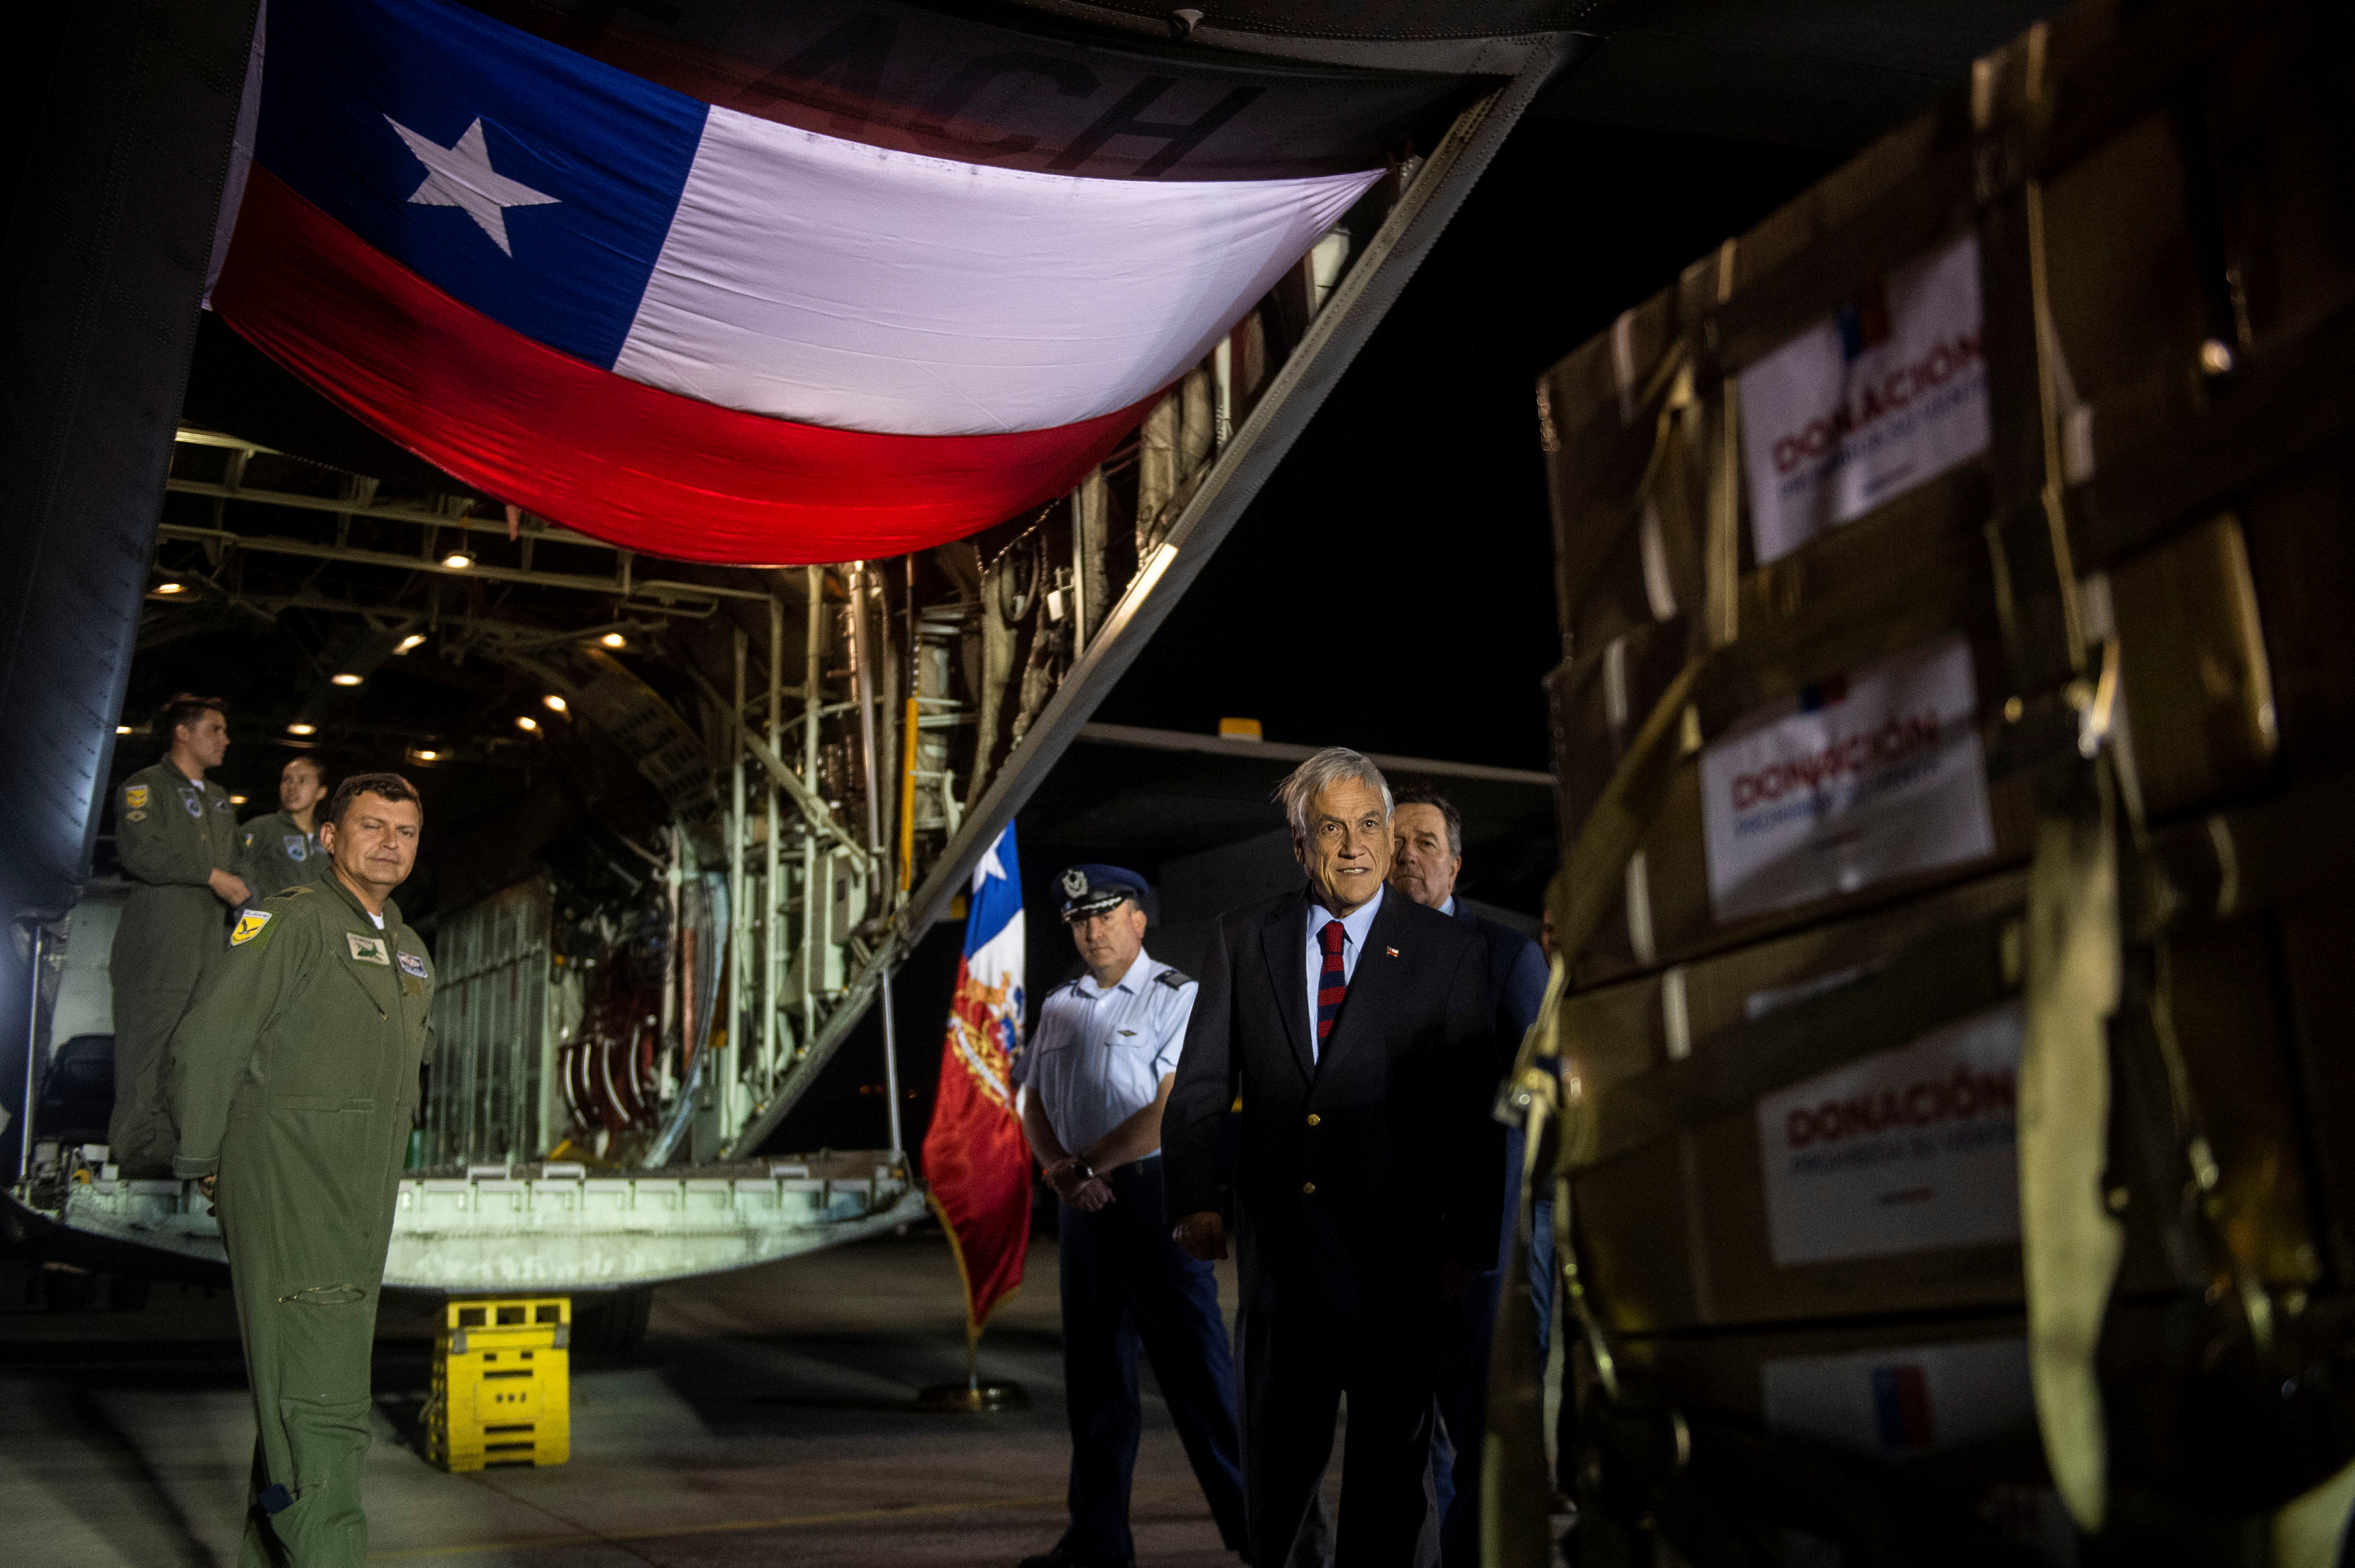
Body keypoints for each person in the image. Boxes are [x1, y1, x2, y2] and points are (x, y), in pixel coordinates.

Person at [1165, 747, 1499, 1568]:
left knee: (1391, 1492)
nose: (1353, 846)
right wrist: (1195, 1198)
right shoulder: (1243, 939)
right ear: (1297, 843)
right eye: (1331, 828)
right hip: (1281, 1271)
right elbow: (1202, 1082)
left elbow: (1474, 1113)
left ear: (1389, 840)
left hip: (1398, 1270)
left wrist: (1468, 1243)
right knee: (1276, 1492)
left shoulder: (1448, 953)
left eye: (1369, 826)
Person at [170, 773, 435, 1568]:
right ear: (328, 837)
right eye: (371, 824)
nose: (390, 841)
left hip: (360, 1191)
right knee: (323, 1405)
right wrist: (204, 1156)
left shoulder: (410, 949)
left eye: (406, 830)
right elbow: (208, 1041)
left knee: (303, 1391)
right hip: (292, 1180)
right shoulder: (289, 922)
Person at [1017, 864, 1248, 1568]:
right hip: (1084, 1213)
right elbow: (1031, 1102)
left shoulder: (1175, 997)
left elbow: (1167, 1115)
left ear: (1137, 921)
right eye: (1080, 920)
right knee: (1095, 1386)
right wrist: (1061, 1172)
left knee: (1200, 1384)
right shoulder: (1059, 1003)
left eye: (1105, 915)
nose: (1090, 930)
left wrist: (1084, 1168)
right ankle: (1097, 1543)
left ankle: (1265, 1535)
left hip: (1154, 1206)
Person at [1387, 787, 1550, 1568]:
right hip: (1384, 1241)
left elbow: (1531, 1100)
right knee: (1398, 1444)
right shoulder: (1359, 960)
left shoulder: (1509, 956)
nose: (1405, 856)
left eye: (1423, 842)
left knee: (1481, 1430)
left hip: (1476, 1245)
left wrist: (1494, 1231)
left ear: (1455, 863)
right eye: (1394, 843)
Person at [108, 694, 248, 1176]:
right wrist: (210, 875)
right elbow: (142, 852)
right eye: (216, 729)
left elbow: (238, 868)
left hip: (207, 948)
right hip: (158, 946)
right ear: (183, 733)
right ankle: (135, 1152)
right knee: (147, 1048)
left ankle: (171, 1152)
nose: (225, 739)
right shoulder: (144, 788)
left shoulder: (218, 800)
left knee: (190, 1051)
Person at [238, 755, 330, 897]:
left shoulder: (327, 837)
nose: (292, 787)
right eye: (287, 780)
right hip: (274, 917)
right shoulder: (262, 828)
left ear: (321, 792)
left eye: (302, 781)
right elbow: (237, 872)